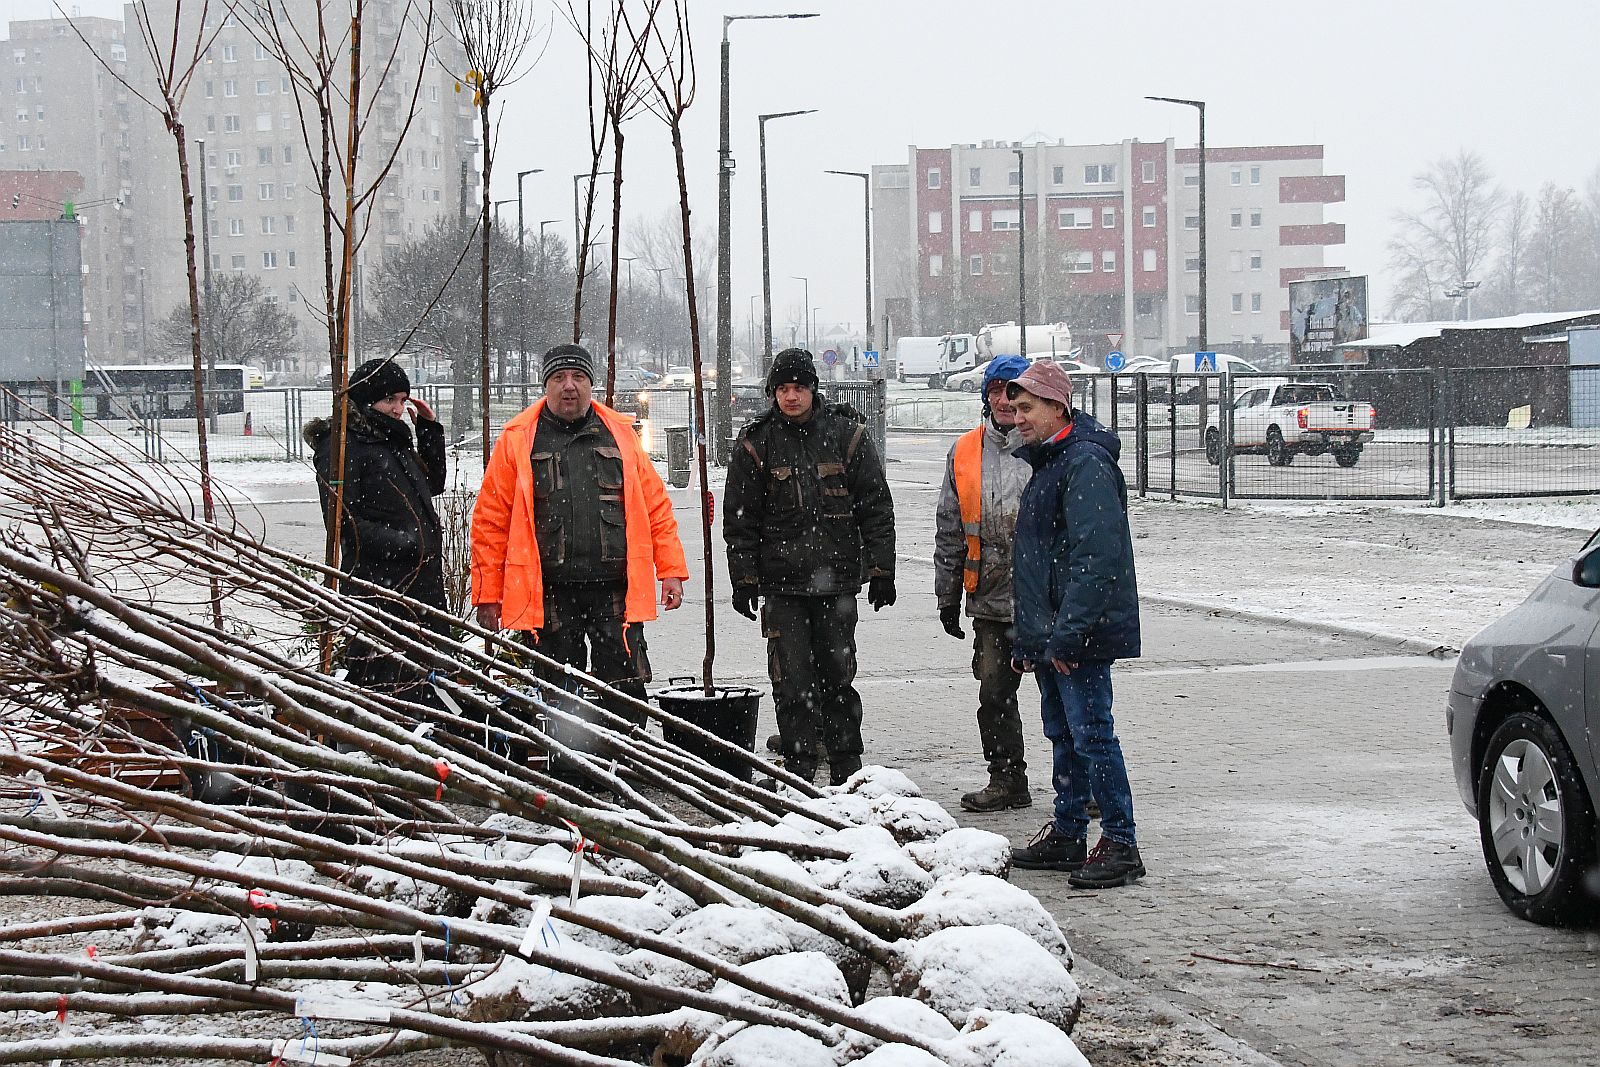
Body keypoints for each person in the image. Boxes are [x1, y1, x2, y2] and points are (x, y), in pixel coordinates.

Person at [470, 343, 688, 732]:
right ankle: (570, 778)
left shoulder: (621, 436)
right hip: (549, 594)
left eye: (578, 378)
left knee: (624, 690)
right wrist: (488, 594)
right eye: (558, 378)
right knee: (558, 696)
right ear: (545, 385)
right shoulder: (518, 440)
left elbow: (656, 507)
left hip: (614, 592)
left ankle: (627, 764)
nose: (569, 386)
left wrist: (670, 570)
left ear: (591, 385)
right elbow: (490, 523)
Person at [723, 349, 896, 786]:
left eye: (798, 387)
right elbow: (740, 519)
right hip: (782, 588)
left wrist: (880, 569)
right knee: (791, 682)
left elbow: (875, 508)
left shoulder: (847, 436)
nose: (791, 396)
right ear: (772, 393)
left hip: (837, 584)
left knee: (839, 678)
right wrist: (743, 580)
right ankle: (799, 769)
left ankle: (846, 768)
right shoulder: (755, 443)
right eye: (782, 389)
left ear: (813, 389)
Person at [1004, 360, 1146, 889]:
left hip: (1078, 634)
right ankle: (1068, 831)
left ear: (1057, 407)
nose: (1016, 418)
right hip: (1056, 633)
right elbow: (1042, 561)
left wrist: (1069, 634)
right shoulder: (1053, 462)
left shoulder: (1083, 463)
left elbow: (1096, 558)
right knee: (1064, 733)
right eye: (1013, 408)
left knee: (1092, 736)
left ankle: (1121, 842)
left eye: (1026, 408)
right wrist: (1031, 637)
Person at [304, 357, 446, 701]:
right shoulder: (342, 447)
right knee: (386, 685)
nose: (398, 409)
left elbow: (434, 483)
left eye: (402, 400)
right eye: (389, 400)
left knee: (427, 685)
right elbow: (342, 523)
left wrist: (428, 430)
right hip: (379, 589)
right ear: (367, 401)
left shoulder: (390, 440)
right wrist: (408, 544)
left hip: (420, 586)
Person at [933, 354, 1034, 812]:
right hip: (991, 598)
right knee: (994, 694)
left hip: (1046, 600)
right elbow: (951, 527)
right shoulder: (966, 451)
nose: (1003, 399)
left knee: (1065, 699)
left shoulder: (1051, 444)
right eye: (995, 390)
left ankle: (1084, 784)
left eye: (1012, 390)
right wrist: (948, 594)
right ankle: (1006, 777)